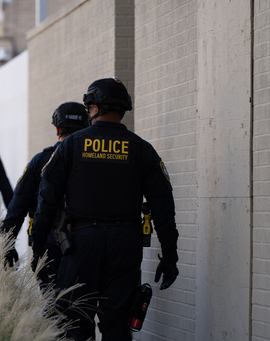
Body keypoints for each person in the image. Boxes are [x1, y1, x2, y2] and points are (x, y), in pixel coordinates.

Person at [31, 77, 179, 340]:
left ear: (96, 108)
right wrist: (170, 257)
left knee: (75, 322)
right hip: (125, 245)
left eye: (89, 109)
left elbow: (47, 200)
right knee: (118, 325)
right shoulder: (142, 150)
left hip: (80, 246)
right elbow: (163, 207)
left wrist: (38, 247)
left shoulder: (71, 145)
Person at [0, 102, 89, 274]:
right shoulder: (92, 160)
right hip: (88, 243)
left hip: (49, 244)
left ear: (57, 130)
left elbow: (17, 207)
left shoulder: (40, 161)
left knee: (54, 299)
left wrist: (7, 244)